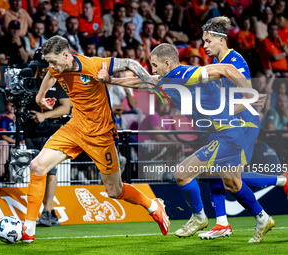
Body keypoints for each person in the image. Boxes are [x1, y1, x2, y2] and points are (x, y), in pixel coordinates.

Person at [101, 43, 275, 243]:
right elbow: (145, 82)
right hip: (224, 132)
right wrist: (111, 80)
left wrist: (248, 94)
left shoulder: (186, 74)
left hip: (226, 134)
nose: (153, 69)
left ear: (168, 63)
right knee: (233, 184)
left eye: (155, 65)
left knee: (182, 174)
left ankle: (199, 217)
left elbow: (227, 69)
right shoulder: (168, 78)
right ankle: (263, 218)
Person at [21, 35, 169, 243]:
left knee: (114, 191)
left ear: (66, 55)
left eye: (53, 61)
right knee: (37, 166)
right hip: (75, 128)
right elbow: (51, 75)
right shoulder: (58, 66)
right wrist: (40, 97)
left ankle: (153, 205)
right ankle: (28, 230)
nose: (50, 66)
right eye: (49, 62)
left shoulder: (93, 64)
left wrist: (147, 79)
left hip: (102, 134)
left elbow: (130, 63)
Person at [198, 16, 284, 240]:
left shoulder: (236, 62)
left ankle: (257, 215)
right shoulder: (216, 66)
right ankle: (223, 223)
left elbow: (248, 97)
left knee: (229, 176)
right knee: (219, 172)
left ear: (221, 40)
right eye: (203, 41)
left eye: (208, 41)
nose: (204, 46)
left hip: (245, 123)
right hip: (228, 124)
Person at [23, 47, 71, 227]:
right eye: (39, 65)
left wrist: (44, 115)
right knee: (34, 172)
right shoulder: (28, 79)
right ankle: (42, 212)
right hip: (30, 131)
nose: (42, 69)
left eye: (45, 65)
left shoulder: (59, 80)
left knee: (50, 171)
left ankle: (47, 210)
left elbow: (66, 108)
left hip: (51, 130)